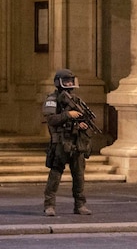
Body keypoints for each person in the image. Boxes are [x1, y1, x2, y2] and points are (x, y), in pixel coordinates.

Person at [42, 68, 93, 216]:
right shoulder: (52, 99)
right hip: (60, 143)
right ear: (59, 82)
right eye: (66, 81)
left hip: (76, 142)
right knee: (55, 175)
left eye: (71, 81)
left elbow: (83, 119)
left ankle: (80, 205)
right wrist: (67, 114)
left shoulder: (76, 100)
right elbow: (51, 119)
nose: (70, 83)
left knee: (79, 175)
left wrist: (82, 124)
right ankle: (49, 205)